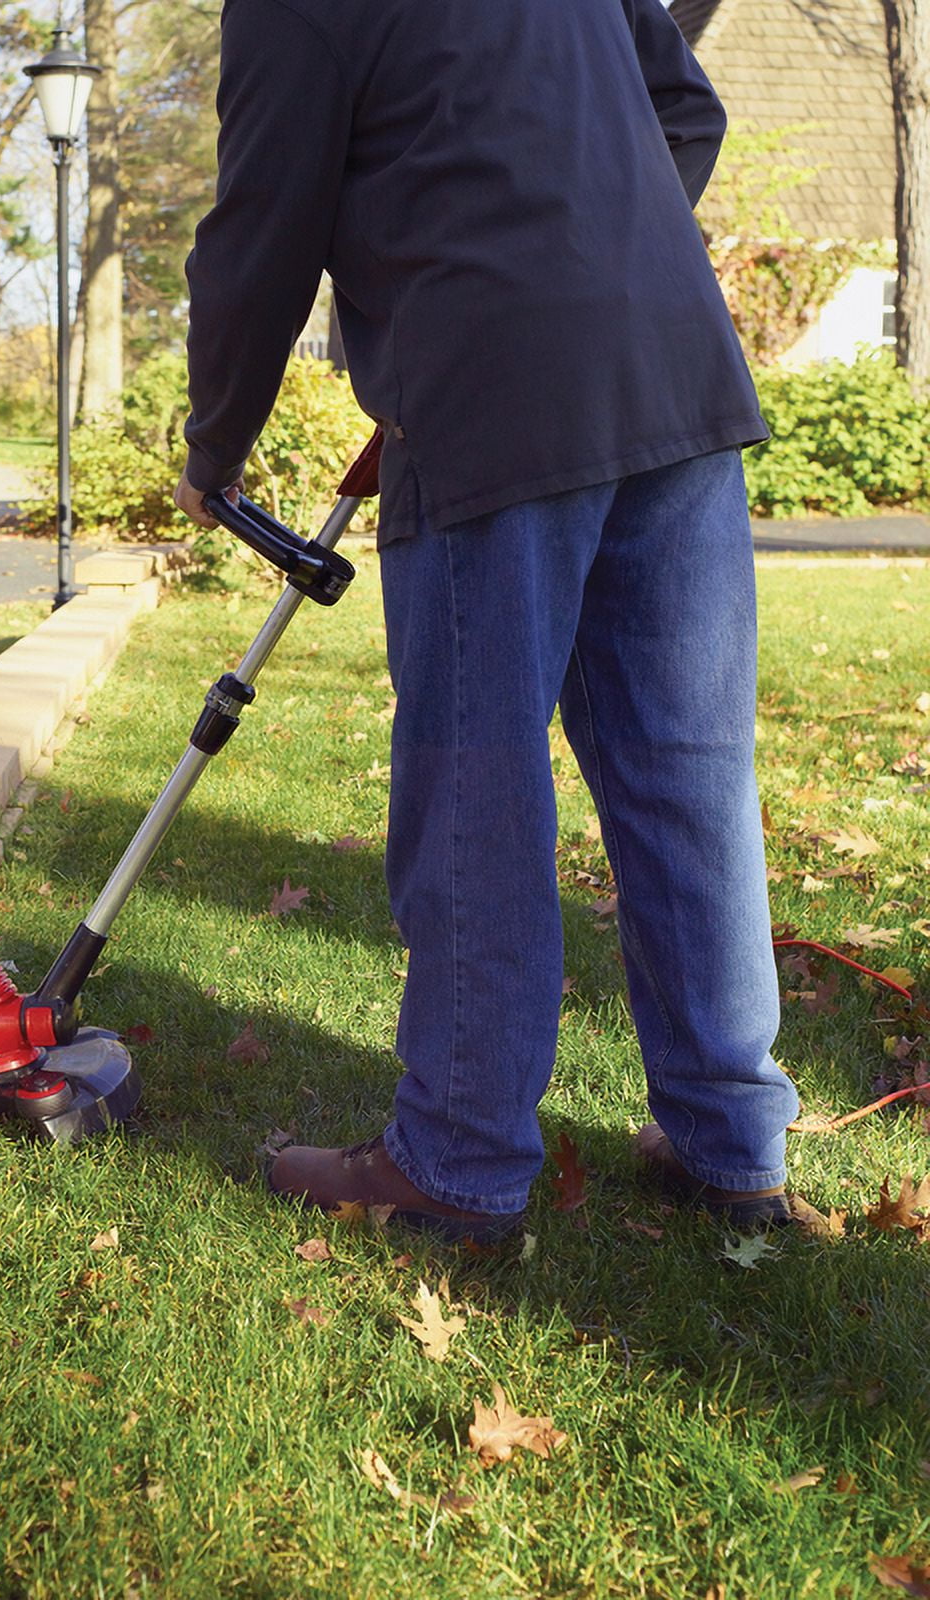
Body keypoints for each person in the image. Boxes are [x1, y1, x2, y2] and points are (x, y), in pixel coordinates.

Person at [173, 0, 799, 1242]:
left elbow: (262, 230)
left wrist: (213, 447)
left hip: (491, 397)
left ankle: (457, 1159)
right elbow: (684, 108)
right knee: (685, 774)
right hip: (668, 366)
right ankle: (729, 1145)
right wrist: (586, 258)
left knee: (479, 782)